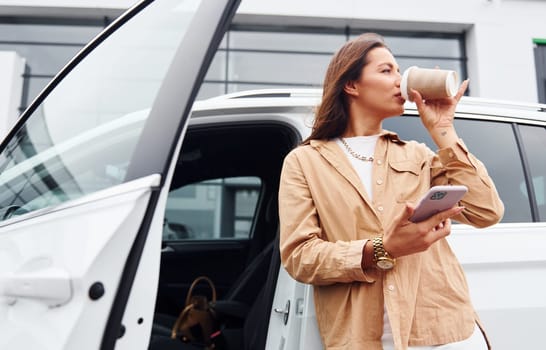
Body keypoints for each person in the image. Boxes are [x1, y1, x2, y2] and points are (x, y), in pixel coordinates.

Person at [278, 32, 504, 350]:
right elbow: (300, 257)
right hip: (364, 338)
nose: (400, 80)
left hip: (442, 333)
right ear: (351, 85)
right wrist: (383, 249)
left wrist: (444, 131)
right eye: (386, 71)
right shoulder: (305, 162)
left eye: (399, 70)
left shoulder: (418, 155)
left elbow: (486, 211)